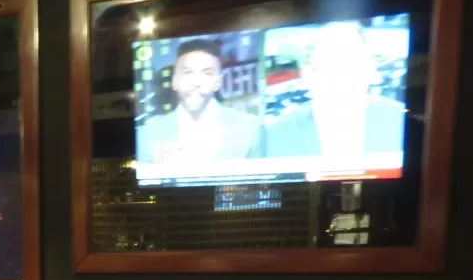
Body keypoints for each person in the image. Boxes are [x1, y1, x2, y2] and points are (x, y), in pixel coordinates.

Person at [263, 21, 407, 161]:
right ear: (308, 76)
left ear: (371, 73)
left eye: (352, 63)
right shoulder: (275, 135)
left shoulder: (399, 120)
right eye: (330, 64)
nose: (342, 76)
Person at [135, 37, 261, 170]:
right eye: (187, 72)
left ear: (218, 82)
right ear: (174, 80)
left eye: (206, 73)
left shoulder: (248, 127)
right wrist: (158, 170)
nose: (196, 82)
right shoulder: (148, 133)